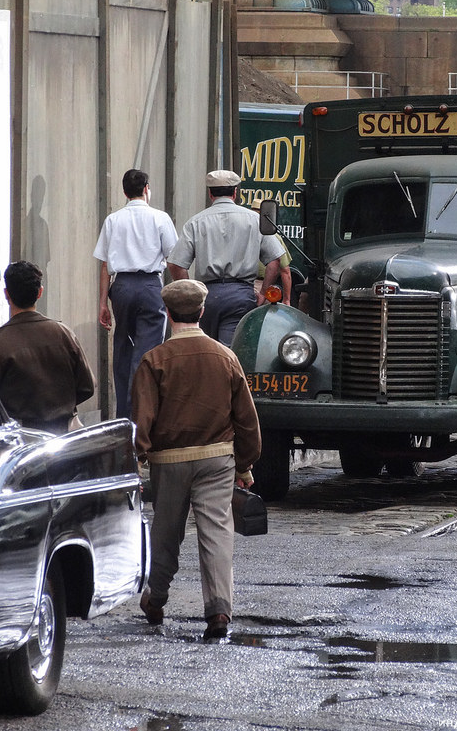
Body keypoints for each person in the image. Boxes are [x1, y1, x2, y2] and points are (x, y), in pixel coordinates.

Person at [132, 279, 262, 641]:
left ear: (169, 314)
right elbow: (246, 419)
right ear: (202, 312)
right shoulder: (226, 356)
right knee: (217, 533)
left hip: (169, 460)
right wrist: (245, 464)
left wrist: (138, 458)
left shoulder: (153, 360)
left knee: (166, 532)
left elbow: (142, 418)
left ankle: (156, 599)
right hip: (217, 458)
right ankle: (219, 610)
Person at [94, 168, 177, 419]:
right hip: (151, 286)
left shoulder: (113, 219)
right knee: (148, 354)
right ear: (146, 189)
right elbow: (173, 258)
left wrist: (102, 303)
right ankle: (142, 418)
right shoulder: (160, 218)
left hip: (121, 288)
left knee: (123, 347)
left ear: (124, 192)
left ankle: (123, 416)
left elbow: (105, 265)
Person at [167, 170, 283, 345]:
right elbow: (275, 260)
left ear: (210, 193)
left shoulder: (195, 222)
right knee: (230, 351)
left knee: (205, 349)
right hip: (241, 297)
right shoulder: (255, 219)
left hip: (207, 297)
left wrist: (192, 291)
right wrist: (263, 292)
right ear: (235, 192)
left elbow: (175, 264)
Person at [0, 261, 95, 434]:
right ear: (40, 292)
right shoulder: (64, 333)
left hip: (19, 438)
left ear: (6, 294)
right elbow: (87, 386)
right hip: (62, 436)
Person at [251, 197, 293, 306]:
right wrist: (287, 300)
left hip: (241, 286)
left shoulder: (241, 234)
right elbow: (285, 270)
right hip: (264, 287)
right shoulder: (273, 237)